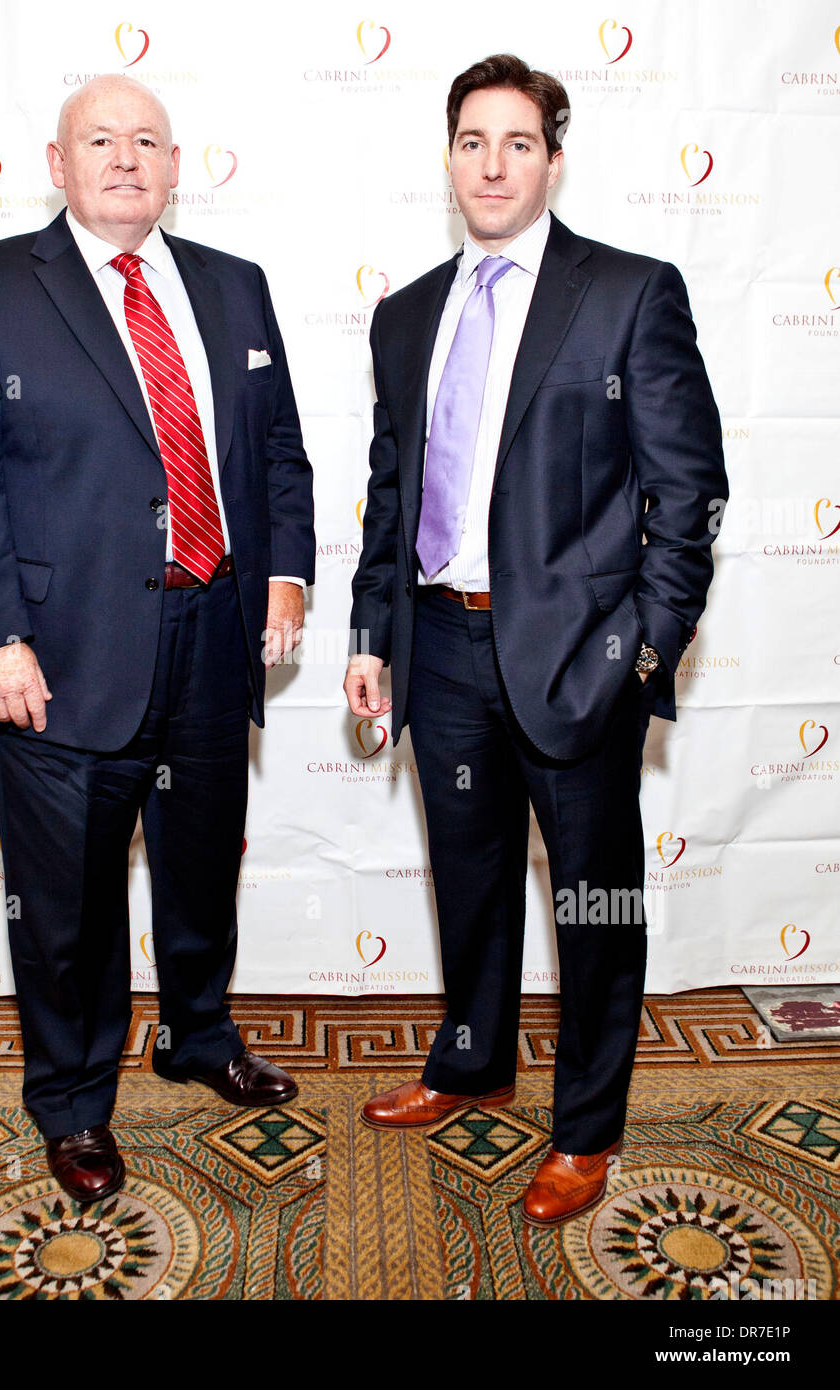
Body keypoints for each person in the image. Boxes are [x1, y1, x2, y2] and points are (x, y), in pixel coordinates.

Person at [0, 74, 315, 1205]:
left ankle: (199, 1032)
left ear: (177, 166)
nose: (126, 156)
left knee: (197, 868)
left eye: (147, 139)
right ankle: (75, 1102)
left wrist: (283, 579)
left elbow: (277, 451)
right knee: (68, 900)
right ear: (58, 161)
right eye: (101, 139)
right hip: (59, 648)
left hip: (214, 630)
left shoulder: (236, 289)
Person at [344, 54, 726, 1226]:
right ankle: (471, 1061)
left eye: (518, 142)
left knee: (594, 902)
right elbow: (391, 483)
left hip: (579, 657)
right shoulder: (407, 313)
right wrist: (372, 629)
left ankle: (586, 1127)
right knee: (469, 880)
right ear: (448, 156)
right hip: (441, 647)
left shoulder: (628, 291)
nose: (492, 163)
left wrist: (644, 652)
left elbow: (688, 492)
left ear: (554, 160)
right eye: (472, 140)